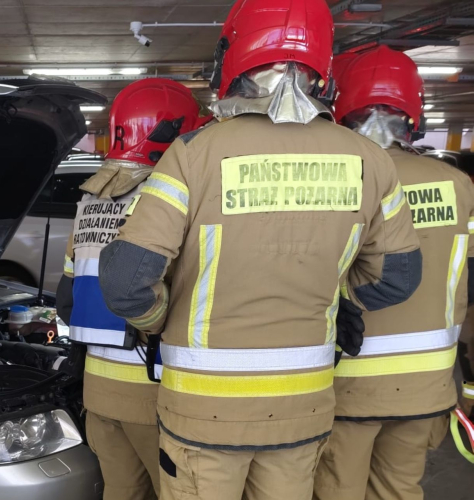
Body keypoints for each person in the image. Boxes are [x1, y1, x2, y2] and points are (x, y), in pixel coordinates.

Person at [97, 1, 423, 498]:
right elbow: (398, 276)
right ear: (322, 67)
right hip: (303, 405)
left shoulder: (194, 153)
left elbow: (125, 281)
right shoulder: (369, 159)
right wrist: (335, 306)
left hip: (203, 411)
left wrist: (160, 317)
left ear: (232, 57)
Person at [313, 45, 474, 500]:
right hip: (427, 385)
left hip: (346, 381)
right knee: (400, 490)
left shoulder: (341, 180)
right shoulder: (458, 186)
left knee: (336, 490)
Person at [56, 78, 206, 500]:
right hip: (150, 386)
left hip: (97, 388)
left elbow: (67, 301)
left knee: (121, 491)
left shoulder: (92, 199)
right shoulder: (165, 200)